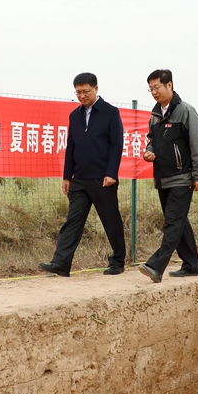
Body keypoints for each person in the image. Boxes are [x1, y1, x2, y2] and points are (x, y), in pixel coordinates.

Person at [39, 72, 126, 277]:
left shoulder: (110, 112)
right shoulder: (74, 115)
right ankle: (61, 263)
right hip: (79, 179)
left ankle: (118, 261)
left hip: (102, 179)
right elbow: (71, 146)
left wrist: (111, 173)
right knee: (73, 221)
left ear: (96, 89)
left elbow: (117, 144)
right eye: (78, 92)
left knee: (110, 221)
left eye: (86, 91)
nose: (82, 96)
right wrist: (67, 176)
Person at [138, 69, 198, 283]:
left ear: (169, 85)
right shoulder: (155, 116)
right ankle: (191, 265)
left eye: (157, 87)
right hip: (163, 178)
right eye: (150, 89)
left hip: (182, 178)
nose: (154, 92)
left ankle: (156, 265)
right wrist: (148, 151)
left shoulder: (186, 111)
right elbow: (151, 140)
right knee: (178, 221)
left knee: (173, 223)